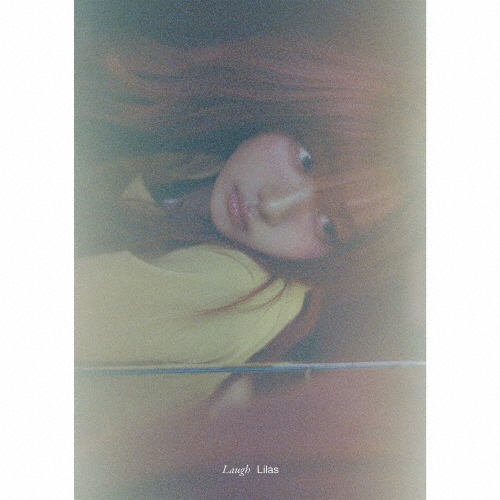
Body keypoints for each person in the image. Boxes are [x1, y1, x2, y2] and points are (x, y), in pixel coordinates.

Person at [75, 31, 424, 445]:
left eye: (329, 226)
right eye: (307, 159)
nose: (274, 205)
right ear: (293, 108)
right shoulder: (207, 165)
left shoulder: (236, 286)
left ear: (339, 260)